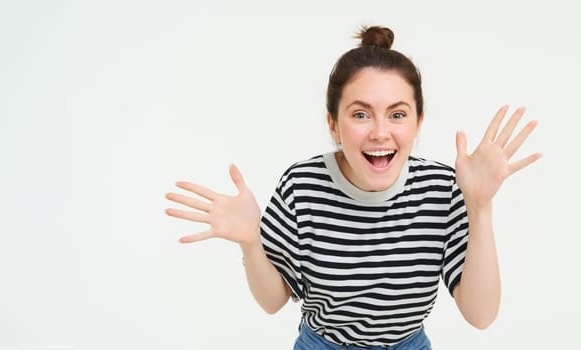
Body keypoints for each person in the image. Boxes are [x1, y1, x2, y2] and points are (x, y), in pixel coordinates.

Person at [165, 25, 541, 350]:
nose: (380, 131)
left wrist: (480, 206)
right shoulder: (302, 186)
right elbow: (273, 301)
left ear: (418, 121)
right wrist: (251, 242)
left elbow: (481, 316)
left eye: (397, 114)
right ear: (333, 125)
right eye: (360, 114)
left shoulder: (443, 188)